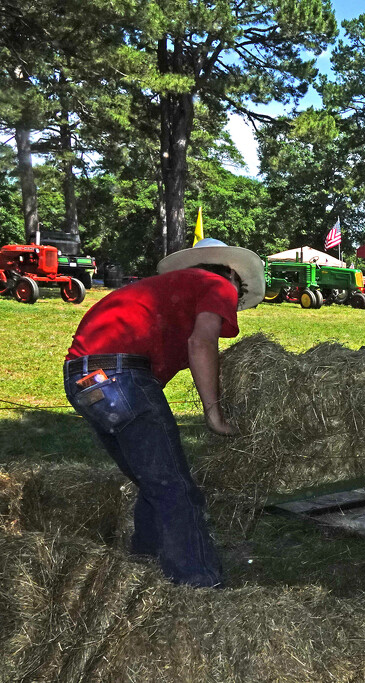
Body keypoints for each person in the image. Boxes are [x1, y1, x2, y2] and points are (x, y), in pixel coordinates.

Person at [63, 238, 265, 587]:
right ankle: (200, 587)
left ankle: (143, 568)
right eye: (239, 293)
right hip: (119, 375)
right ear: (232, 273)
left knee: (153, 482)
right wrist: (213, 413)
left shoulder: (170, 291)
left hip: (83, 379)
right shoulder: (217, 284)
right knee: (176, 487)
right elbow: (201, 343)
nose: (233, 303)